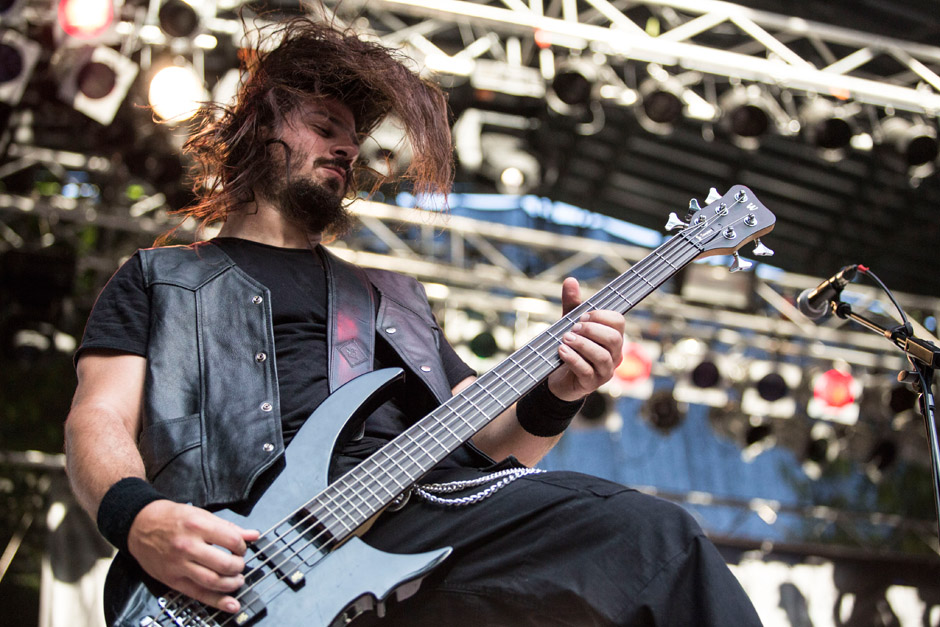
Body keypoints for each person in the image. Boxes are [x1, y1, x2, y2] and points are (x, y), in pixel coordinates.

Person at [64, 16, 763, 627]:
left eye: (353, 139)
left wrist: (560, 391)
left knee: (657, 545)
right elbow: (98, 417)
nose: (346, 149)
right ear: (258, 127)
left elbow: (488, 443)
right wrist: (138, 517)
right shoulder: (160, 278)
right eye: (325, 127)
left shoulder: (393, 295)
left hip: (413, 526)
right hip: (233, 554)